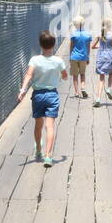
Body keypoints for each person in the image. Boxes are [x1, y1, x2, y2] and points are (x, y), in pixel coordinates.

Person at [17, 29, 68, 168]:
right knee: (49, 127)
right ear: (54, 44)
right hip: (52, 95)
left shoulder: (35, 60)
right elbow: (65, 75)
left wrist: (22, 90)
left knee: (38, 125)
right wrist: (62, 76)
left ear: (40, 45)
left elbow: (28, 75)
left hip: (38, 96)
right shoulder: (58, 61)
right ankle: (48, 156)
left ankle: (38, 150)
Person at [91, 17, 112, 107]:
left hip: (101, 57)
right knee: (111, 73)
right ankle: (109, 89)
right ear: (111, 25)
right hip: (110, 57)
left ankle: (98, 99)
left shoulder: (99, 35)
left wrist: (100, 47)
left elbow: (92, 46)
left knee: (101, 79)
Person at [67, 15, 92, 98]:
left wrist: (70, 57)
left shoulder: (73, 34)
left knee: (75, 75)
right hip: (83, 57)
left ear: (75, 24)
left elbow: (71, 46)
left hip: (74, 57)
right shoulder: (88, 34)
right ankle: (83, 87)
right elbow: (88, 48)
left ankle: (76, 92)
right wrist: (87, 57)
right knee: (82, 74)